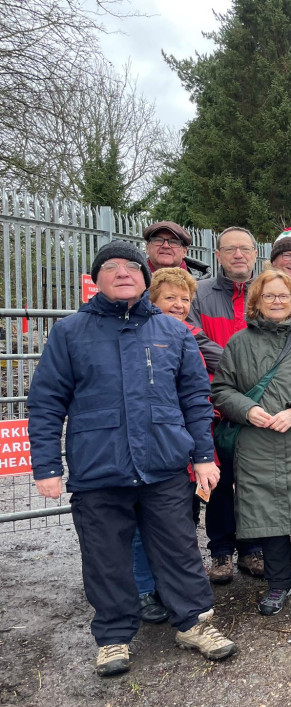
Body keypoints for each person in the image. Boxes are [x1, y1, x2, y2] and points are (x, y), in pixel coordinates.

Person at [27, 239, 236, 677]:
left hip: (162, 466)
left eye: (131, 267)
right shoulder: (69, 332)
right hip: (98, 470)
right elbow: (47, 402)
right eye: (111, 267)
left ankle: (194, 623)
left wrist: (202, 456)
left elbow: (196, 400)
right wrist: (45, 465)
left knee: (178, 550)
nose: (123, 272)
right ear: (96, 279)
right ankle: (113, 636)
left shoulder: (173, 332)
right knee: (105, 557)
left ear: (145, 278)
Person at [211, 270, 291, 638]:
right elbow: (222, 389)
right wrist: (246, 409)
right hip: (256, 446)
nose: (276, 301)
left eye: (283, 296)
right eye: (268, 296)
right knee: (268, 520)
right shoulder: (239, 344)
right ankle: (279, 583)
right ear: (256, 301)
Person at [129, 268, 223, 625]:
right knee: (143, 525)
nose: (179, 305)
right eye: (170, 298)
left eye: (185, 299)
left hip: (187, 442)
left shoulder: (189, 335)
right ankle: (143, 589)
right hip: (153, 444)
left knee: (182, 522)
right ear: (152, 299)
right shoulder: (140, 334)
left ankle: (171, 588)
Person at [188, 227, 264, 583]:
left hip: (258, 402)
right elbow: (195, 339)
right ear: (217, 255)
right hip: (214, 405)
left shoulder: (266, 294)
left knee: (253, 480)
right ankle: (220, 552)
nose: (238, 255)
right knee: (217, 483)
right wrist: (239, 368)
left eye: (244, 249)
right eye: (230, 249)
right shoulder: (199, 294)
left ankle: (252, 548)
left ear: (254, 254)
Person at [142, 220, 211, 279]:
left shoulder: (203, 284)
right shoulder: (133, 279)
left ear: (184, 251)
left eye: (173, 242)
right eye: (158, 240)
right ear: (147, 248)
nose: (165, 246)